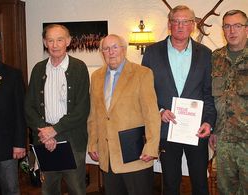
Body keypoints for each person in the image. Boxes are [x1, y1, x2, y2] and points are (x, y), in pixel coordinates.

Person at [142, 5, 217, 195]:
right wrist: (159, 111)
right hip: (167, 130)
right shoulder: (151, 53)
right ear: (169, 24)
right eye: (176, 21)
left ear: (193, 25)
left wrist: (208, 122)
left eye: (185, 22)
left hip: (196, 130)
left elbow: (209, 93)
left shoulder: (206, 54)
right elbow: (145, 92)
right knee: (170, 184)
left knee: (200, 184)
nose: (180, 26)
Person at [87, 34, 161, 195]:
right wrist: (93, 143)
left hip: (135, 155)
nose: (111, 52)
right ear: (102, 53)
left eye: (115, 47)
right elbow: (94, 114)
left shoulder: (142, 73)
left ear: (124, 50)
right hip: (108, 156)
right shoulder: (96, 76)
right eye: (106, 48)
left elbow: (152, 115)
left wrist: (151, 146)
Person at [25, 24, 90, 195]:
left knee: (77, 189)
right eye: (50, 40)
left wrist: (54, 130)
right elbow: (29, 107)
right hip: (44, 142)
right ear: (45, 43)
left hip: (73, 142)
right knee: (48, 190)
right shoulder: (38, 69)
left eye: (60, 40)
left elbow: (82, 109)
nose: (55, 45)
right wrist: (45, 134)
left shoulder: (79, 68)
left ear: (68, 41)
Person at [209, 10, 248, 194]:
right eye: (227, 26)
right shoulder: (215, 58)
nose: (232, 30)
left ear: (246, 29)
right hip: (223, 141)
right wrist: (213, 129)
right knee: (225, 190)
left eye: (237, 25)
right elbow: (211, 98)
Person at [0, 33, 26, 194]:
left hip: (6, 148)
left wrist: (19, 143)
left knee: (10, 190)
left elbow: (20, 111)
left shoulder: (13, 75)